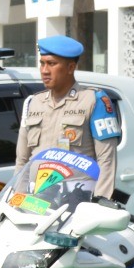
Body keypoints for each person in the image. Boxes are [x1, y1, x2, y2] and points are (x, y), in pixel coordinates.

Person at [16, 35, 119, 199]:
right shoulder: (33, 103)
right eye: (42, 63)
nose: (44, 70)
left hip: (76, 199)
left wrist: (100, 201)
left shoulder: (93, 100)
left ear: (71, 67)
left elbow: (106, 160)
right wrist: (17, 199)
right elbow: (22, 161)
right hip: (35, 200)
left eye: (52, 64)